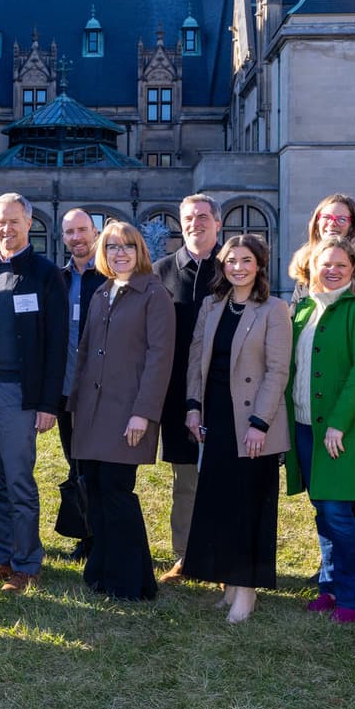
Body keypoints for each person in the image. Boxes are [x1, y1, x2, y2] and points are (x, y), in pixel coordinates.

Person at [0, 193, 68, 593]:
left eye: (14, 221)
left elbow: (56, 345)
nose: (6, 229)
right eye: (0, 222)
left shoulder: (45, 274)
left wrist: (47, 403)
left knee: (19, 479)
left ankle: (27, 563)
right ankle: (1, 556)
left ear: (29, 223)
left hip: (19, 394)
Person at [180, 233, 292, 624]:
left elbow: (277, 371)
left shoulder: (274, 309)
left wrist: (260, 423)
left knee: (247, 505)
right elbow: (196, 358)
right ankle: (228, 581)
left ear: (259, 265)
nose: (238, 267)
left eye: (246, 260)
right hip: (215, 419)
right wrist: (193, 407)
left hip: (253, 423)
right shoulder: (212, 306)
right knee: (220, 502)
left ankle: (247, 589)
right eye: (231, 260)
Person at [68, 221, 175, 601]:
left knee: (116, 491)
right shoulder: (102, 292)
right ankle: (103, 570)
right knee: (95, 491)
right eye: (112, 246)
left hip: (127, 411)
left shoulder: (154, 294)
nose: (120, 253)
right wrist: (76, 405)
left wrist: (142, 413)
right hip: (92, 412)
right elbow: (85, 351)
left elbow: (160, 358)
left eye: (128, 246)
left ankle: (133, 582)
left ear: (140, 251)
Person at [284, 240, 355, 624]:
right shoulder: (304, 309)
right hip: (305, 425)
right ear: (310, 267)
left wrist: (338, 423)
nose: (332, 270)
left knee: (339, 513)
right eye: (324, 264)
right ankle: (330, 587)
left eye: (341, 264)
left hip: (343, 429)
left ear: (353, 268)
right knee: (323, 512)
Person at [153, 194, 219, 580]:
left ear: (218, 223)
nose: (196, 223)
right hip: (177, 392)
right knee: (185, 479)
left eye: (203, 216)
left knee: (223, 477)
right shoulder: (161, 272)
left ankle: (223, 556)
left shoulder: (234, 267)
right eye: (189, 217)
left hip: (225, 389)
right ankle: (186, 556)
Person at [55, 208, 103, 556]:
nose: (77, 238)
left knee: (98, 463)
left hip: (101, 391)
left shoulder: (109, 278)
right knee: (74, 461)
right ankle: (85, 534)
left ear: (95, 233)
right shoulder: (57, 279)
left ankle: (100, 534)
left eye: (82, 230)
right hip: (65, 390)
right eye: (70, 232)